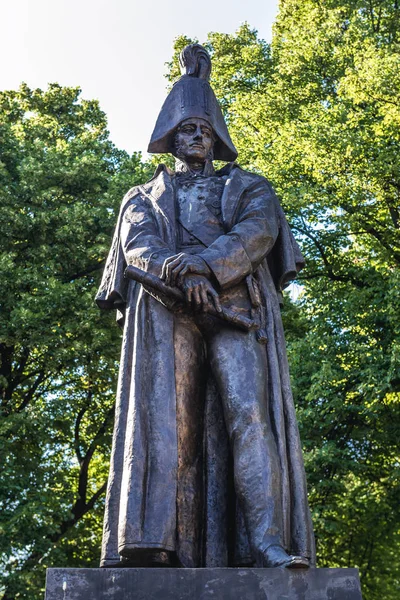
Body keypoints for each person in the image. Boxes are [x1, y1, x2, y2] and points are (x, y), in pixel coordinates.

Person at [96, 44, 315, 570]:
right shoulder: (141, 196)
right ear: (170, 136)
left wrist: (209, 269)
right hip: (167, 309)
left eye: (205, 130)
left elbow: (258, 231)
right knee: (169, 423)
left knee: (249, 419)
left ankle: (266, 542)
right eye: (187, 129)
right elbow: (139, 247)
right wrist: (181, 271)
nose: (198, 138)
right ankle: (151, 544)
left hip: (236, 304)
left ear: (217, 138)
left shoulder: (250, 186)